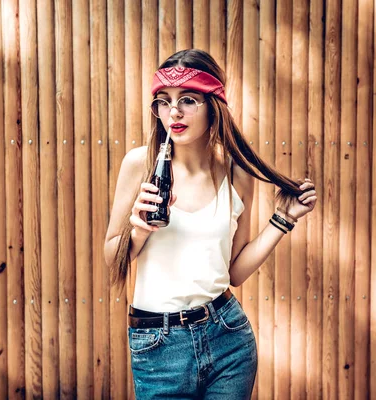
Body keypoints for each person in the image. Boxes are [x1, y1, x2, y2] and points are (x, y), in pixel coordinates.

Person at [104, 49, 317, 399]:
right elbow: (112, 258)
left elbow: (234, 270)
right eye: (163, 101)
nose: (173, 112)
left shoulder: (236, 171)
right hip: (158, 345)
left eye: (188, 99)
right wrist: (138, 229)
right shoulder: (138, 165)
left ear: (213, 104)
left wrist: (283, 220)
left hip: (227, 336)